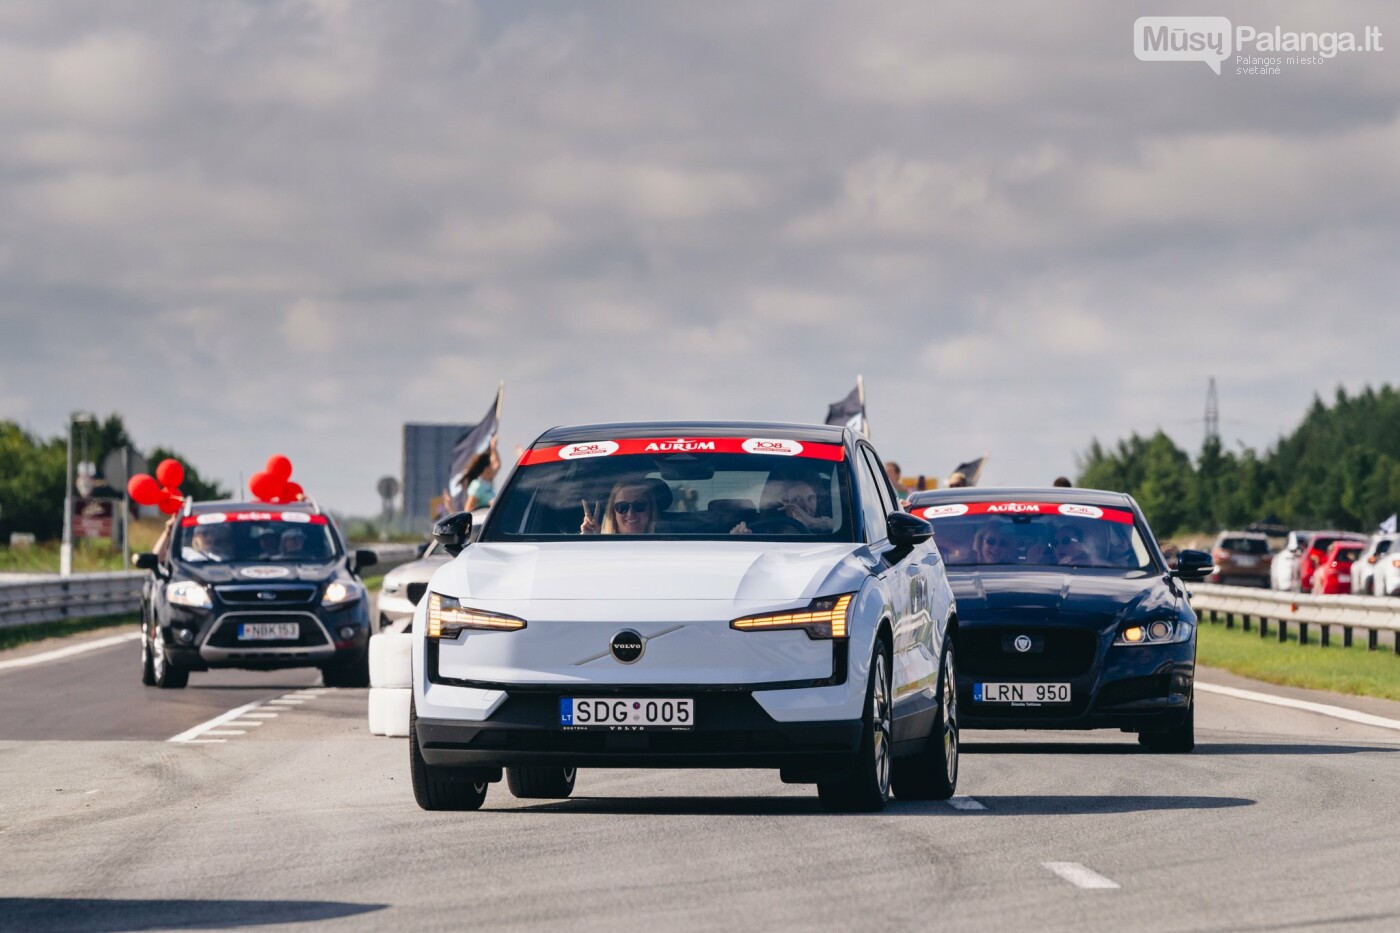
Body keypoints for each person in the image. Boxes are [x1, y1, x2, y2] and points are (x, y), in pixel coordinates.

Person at [731, 478, 832, 534]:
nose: (806, 506)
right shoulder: (765, 531)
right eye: (797, 500)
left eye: (811, 498)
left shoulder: (831, 531)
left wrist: (814, 522)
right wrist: (740, 538)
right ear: (782, 503)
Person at [581, 480, 660, 535]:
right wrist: (592, 540)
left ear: (650, 510)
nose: (630, 513)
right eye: (622, 507)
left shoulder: (669, 544)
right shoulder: (601, 548)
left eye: (639, 505)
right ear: (613, 512)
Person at [463, 437, 502, 512]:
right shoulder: (477, 485)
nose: (493, 467)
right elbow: (468, 510)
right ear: (486, 468)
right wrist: (486, 507)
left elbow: (497, 465)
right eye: (491, 464)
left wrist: (493, 448)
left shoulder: (486, 482)